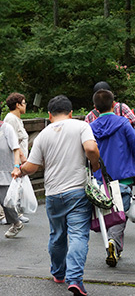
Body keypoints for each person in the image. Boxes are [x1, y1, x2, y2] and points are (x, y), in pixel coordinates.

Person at [13, 95, 100, 296]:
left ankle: (59, 274)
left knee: (57, 235)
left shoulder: (43, 135)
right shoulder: (80, 126)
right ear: (70, 112)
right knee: (78, 234)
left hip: (52, 193)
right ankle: (75, 279)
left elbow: (33, 166)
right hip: (77, 190)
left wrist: (20, 170)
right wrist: (95, 164)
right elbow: (90, 148)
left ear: (50, 115)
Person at [90, 89, 135, 268]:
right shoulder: (122, 123)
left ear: (95, 108)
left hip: (101, 177)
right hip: (123, 176)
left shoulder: (90, 127)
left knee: (109, 210)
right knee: (121, 212)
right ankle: (113, 243)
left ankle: (113, 244)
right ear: (114, 104)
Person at [4, 92, 30, 223]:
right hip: (15, 160)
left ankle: (16, 213)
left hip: (20, 159)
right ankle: (11, 215)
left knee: (16, 187)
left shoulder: (17, 119)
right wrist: (22, 157)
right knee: (10, 187)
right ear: (17, 105)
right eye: (24, 103)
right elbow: (14, 142)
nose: (25, 106)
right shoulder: (11, 119)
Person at [0, 110, 23, 238]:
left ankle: (16, 223)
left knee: (6, 202)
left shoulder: (6, 128)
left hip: (5, 171)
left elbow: (16, 148)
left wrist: (16, 166)